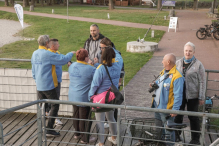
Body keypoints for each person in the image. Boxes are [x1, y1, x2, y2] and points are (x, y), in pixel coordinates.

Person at [31, 35, 75, 137]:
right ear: (47, 43)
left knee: (42, 107)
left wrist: (37, 80)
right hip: (48, 86)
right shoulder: (47, 54)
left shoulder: (35, 53)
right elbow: (63, 60)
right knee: (55, 105)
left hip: (39, 85)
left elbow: (33, 70)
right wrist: (70, 54)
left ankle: (42, 127)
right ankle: (49, 129)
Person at [89, 46, 123, 146]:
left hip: (101, 98)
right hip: (112, 96)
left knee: (99, 121)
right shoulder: (118, 66)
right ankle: (114, 137)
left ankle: (101, 143)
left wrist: (90, 97)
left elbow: (95, 84)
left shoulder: (101, 69)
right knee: (111, 118)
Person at [174, 42, 206, 145]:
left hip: (193, 96)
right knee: (178, 115)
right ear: (183, 51)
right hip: (180, 94)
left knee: (193, 117)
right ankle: (176, 135)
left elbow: (202, 81)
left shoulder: (198, 64)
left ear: (194, 52)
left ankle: (195, 139)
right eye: (186, 50)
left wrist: (201, 97)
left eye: (190, 51)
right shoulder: (178, 63)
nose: (188, 53)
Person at [151, 53, 184, 146]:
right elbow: (160, 82)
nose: (162, 61)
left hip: (167, 110)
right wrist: (154, 83)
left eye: (163, 60)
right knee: (158, 129)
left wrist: (175, 109)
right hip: (157, 106)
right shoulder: (164, 71)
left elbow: (178, 95)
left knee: (168, 131)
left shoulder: (177, 76)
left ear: (168, 62)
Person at [68, 49, 96, 144]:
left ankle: (77, 133)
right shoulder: (91, 69)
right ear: (86, 58)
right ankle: (85, 138)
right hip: (84, 97)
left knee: (76, 114)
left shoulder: (72, 66)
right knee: (85, 117)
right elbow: (96, 78)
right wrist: (93, 64)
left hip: (72, 95)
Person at [46, 38, 64, 126]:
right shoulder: (50, 55)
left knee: (54, 100)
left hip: (57, 81)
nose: (59, 45)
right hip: (53, 82)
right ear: (53, 46)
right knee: (55, 101)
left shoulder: (57, 53)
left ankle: (50, 114)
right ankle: (54, 118)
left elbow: (63, 59)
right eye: (57, 44)